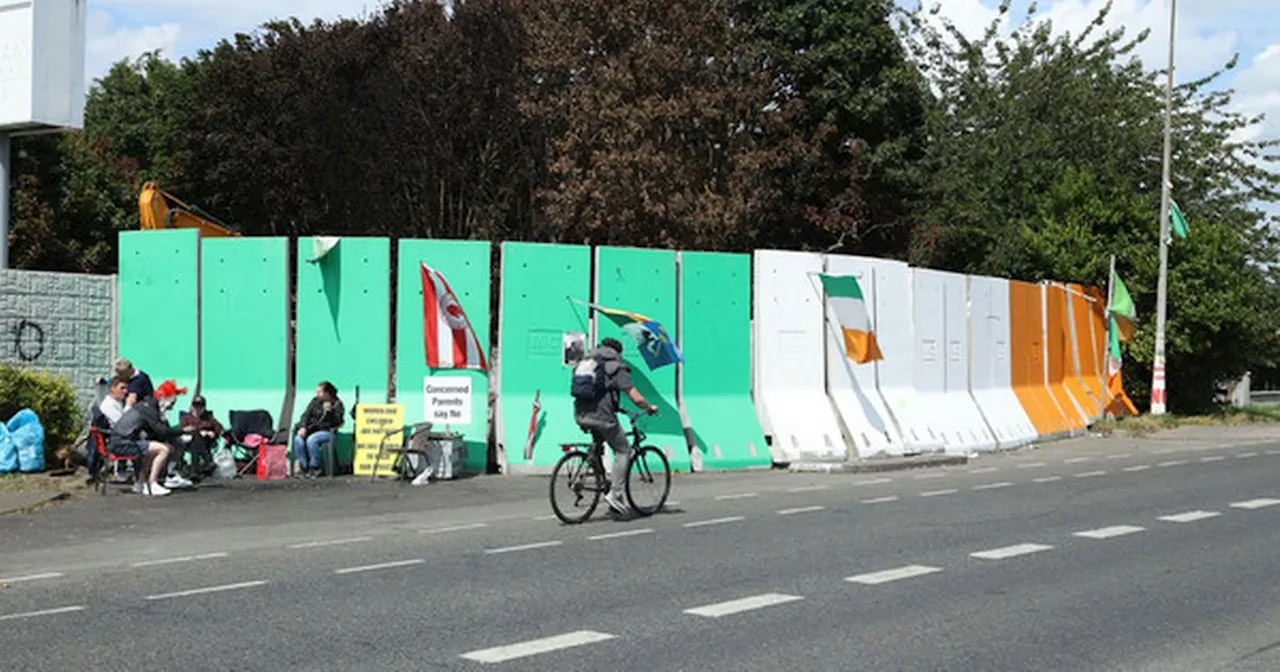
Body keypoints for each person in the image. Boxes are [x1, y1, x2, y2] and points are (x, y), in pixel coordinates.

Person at [571, 337, 658, 515]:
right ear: (618, 352)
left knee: (599, 444)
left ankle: (601, 482)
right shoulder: (616, 366)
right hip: (602, 417)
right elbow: (635, 397)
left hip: (580, 414)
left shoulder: (586, 361)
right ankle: (615, 493)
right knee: (623, 451)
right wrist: (649, 407)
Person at [109, 380, 192, 496]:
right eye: (171, 404)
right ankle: (153, 484)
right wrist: (182, 429)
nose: (171, 408)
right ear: (163, 398)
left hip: (119, 441)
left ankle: (139, 483)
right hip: (124, 443)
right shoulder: (150, 409)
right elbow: (161, 431)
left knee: (151, 451)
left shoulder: (146, 405)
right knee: (164, 449)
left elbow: (156, 431)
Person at [293, 381, 345, 478]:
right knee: (298, 439)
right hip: (311, 429)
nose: (317, 394)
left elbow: (338, 422)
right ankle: (303, 467)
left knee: (312, 440)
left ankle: (315, 467)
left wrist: (330, 413)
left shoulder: (337, 404)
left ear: (326, 393)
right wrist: (303, 427)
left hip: (327, 432)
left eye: (319, 392)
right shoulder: (315, 402)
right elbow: (305, 415)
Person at [179, 395, 224, 479]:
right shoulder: (186, 418)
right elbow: (182, 430)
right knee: (195, 437)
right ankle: (208, 460)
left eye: (200, 406)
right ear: (192, 406)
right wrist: (200, 432)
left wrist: (212, 432)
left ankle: (194, 471)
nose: (198, 409)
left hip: (206, 441)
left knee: (195, 442)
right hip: (189, 440)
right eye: (196, 406)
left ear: (204, 407)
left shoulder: (208, 417)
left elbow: (219, 427)